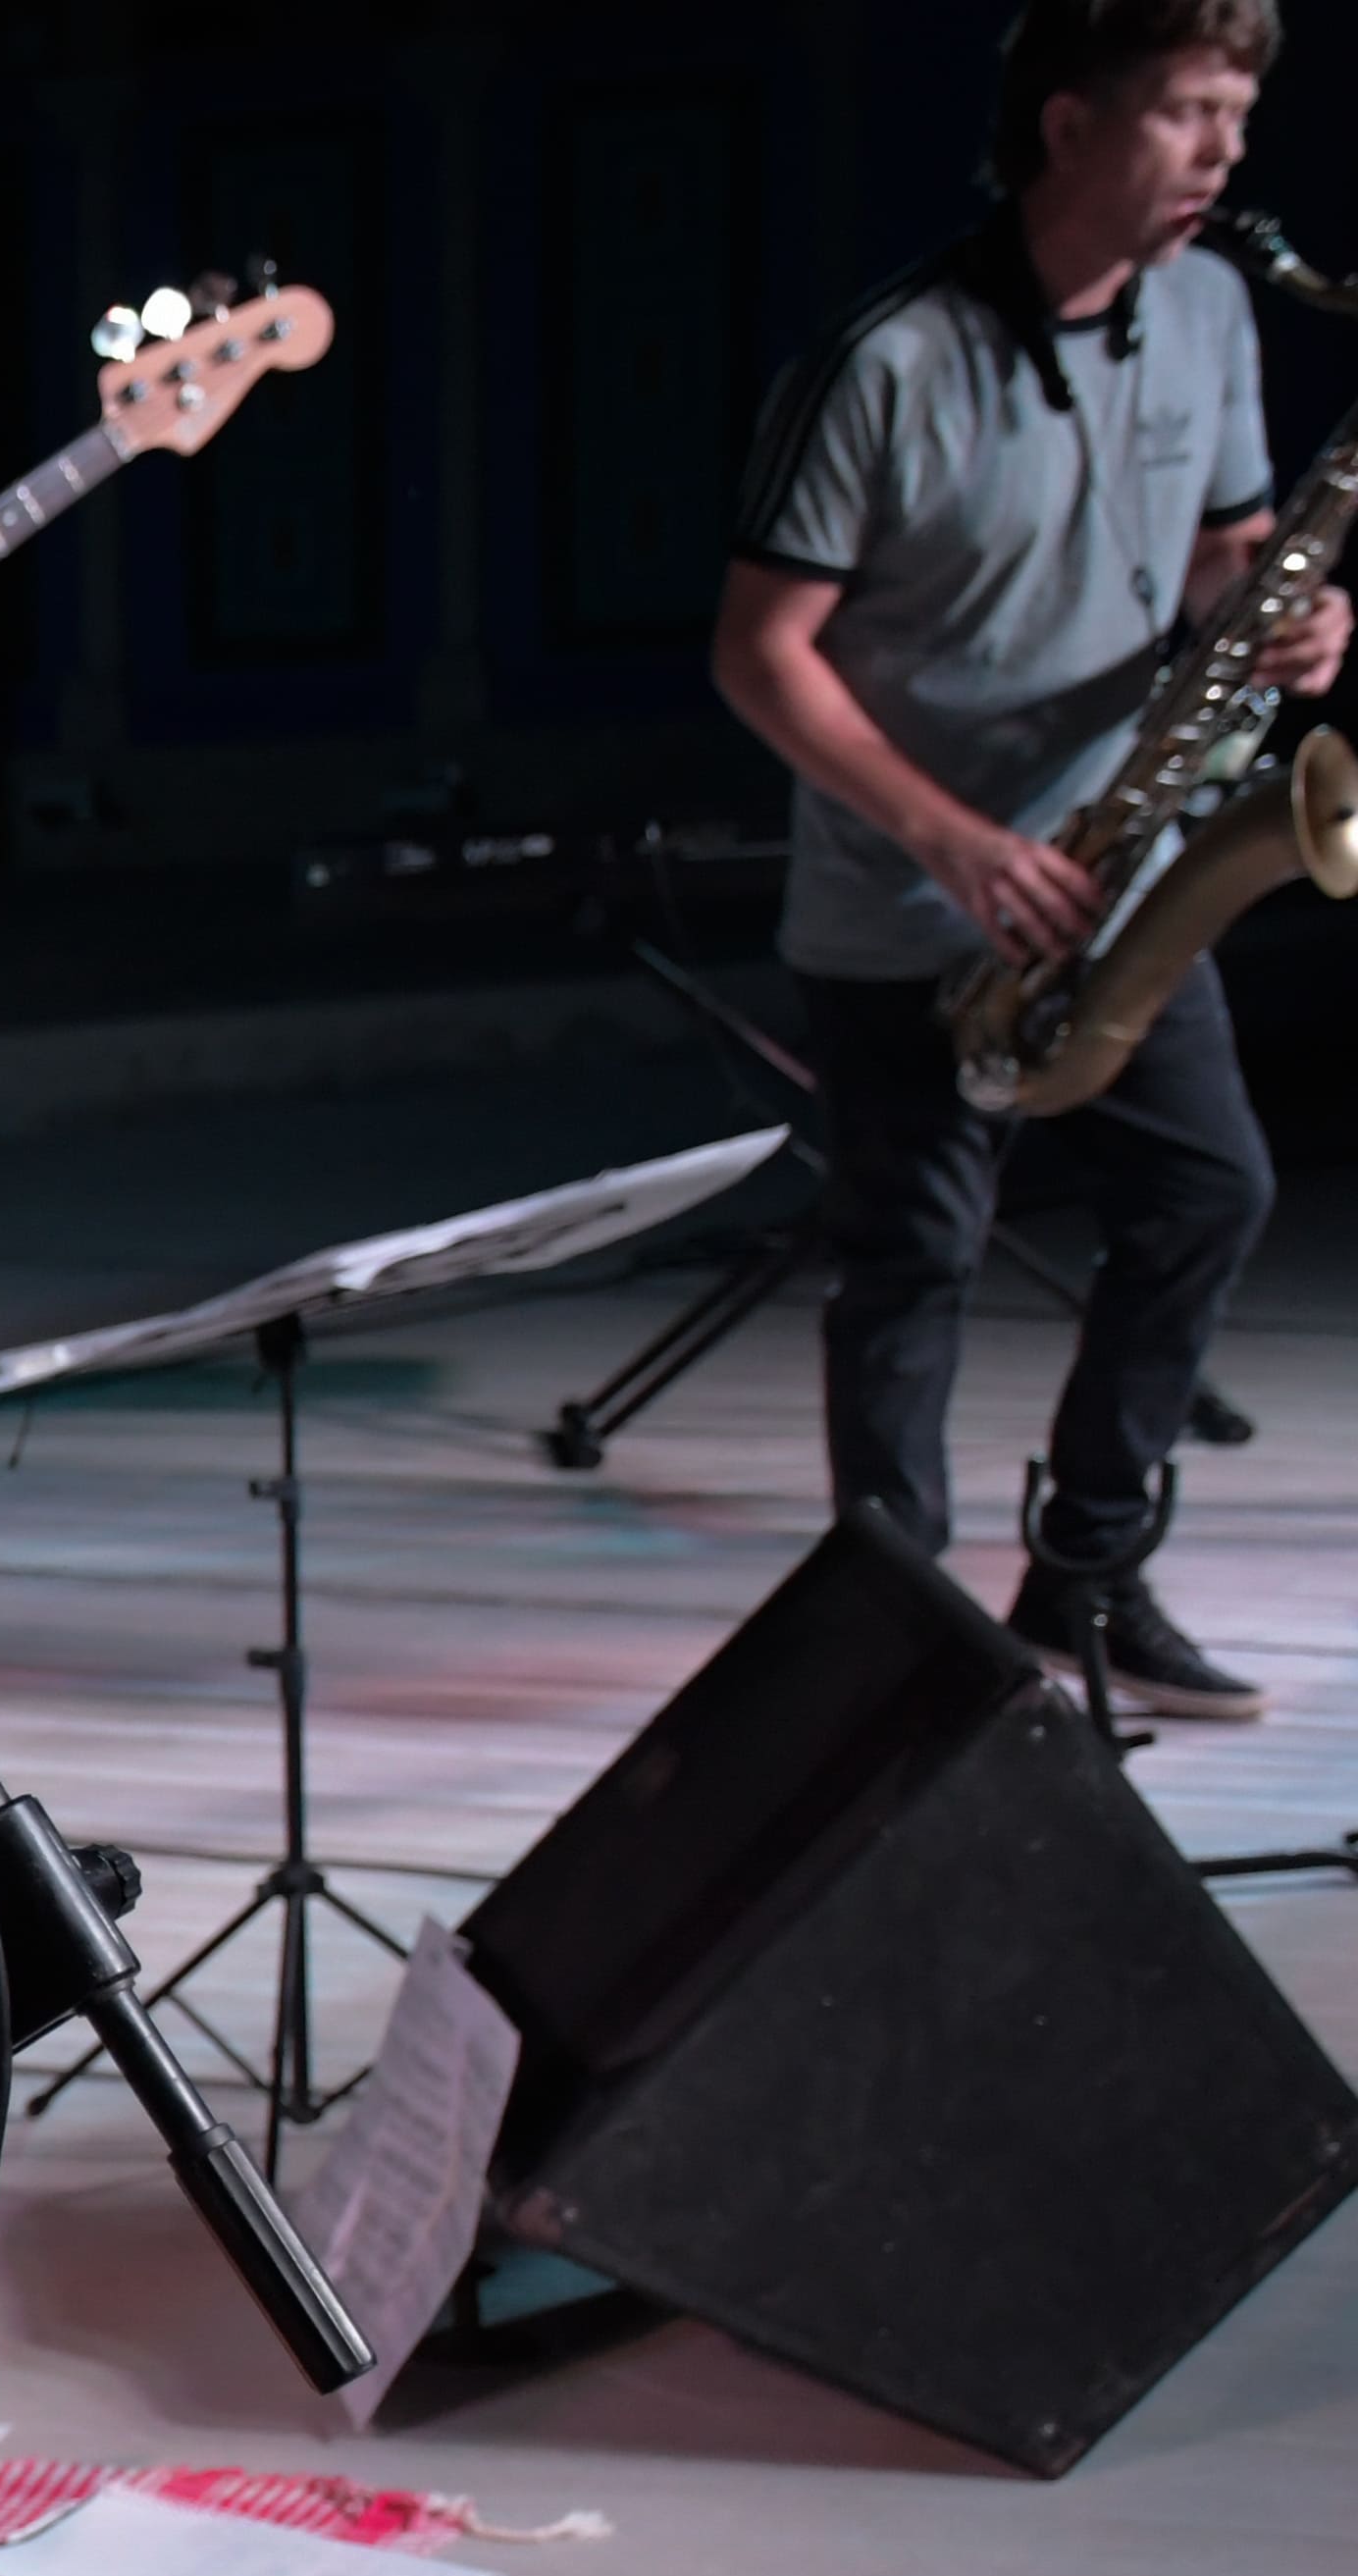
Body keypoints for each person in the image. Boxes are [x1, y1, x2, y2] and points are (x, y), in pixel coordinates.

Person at [715, 0, 1338, 1719]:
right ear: (1067, 127)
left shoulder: (1210, 309)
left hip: (1115, 871)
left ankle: (1083, 1572)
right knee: (911, 1266)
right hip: (911, 897)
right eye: (1187, 112)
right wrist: (952, 839)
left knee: (1210, 1193)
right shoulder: (884, 363)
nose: (1223, 149)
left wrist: (1282, 615)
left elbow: (1222, 549)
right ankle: (896, 1656)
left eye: (1234, 113)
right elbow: (757, 650)